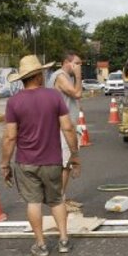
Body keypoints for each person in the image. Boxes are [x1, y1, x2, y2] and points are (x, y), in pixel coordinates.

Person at [0, 55, 80, 256]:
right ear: (37, 76)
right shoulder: (54, 97)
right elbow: (68, 128)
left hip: (26, 162)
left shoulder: (14, 102)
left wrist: (5, 164)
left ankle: (41, 244)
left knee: (33, 203)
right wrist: (75, 155)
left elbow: (10, 137)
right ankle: (63, 240)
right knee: (56, 200)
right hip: (52, 160)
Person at [48, 51, 84, 212]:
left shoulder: (66, 77)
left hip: (67, 125)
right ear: (66, 62)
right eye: (76, 63)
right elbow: (77, 93)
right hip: (62, 127)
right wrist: (78, 76)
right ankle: (59, 201)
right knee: (64, 164)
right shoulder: (60, 76)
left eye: (80, 64)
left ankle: (62, 197)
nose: (79, 67)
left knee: (67, 164)